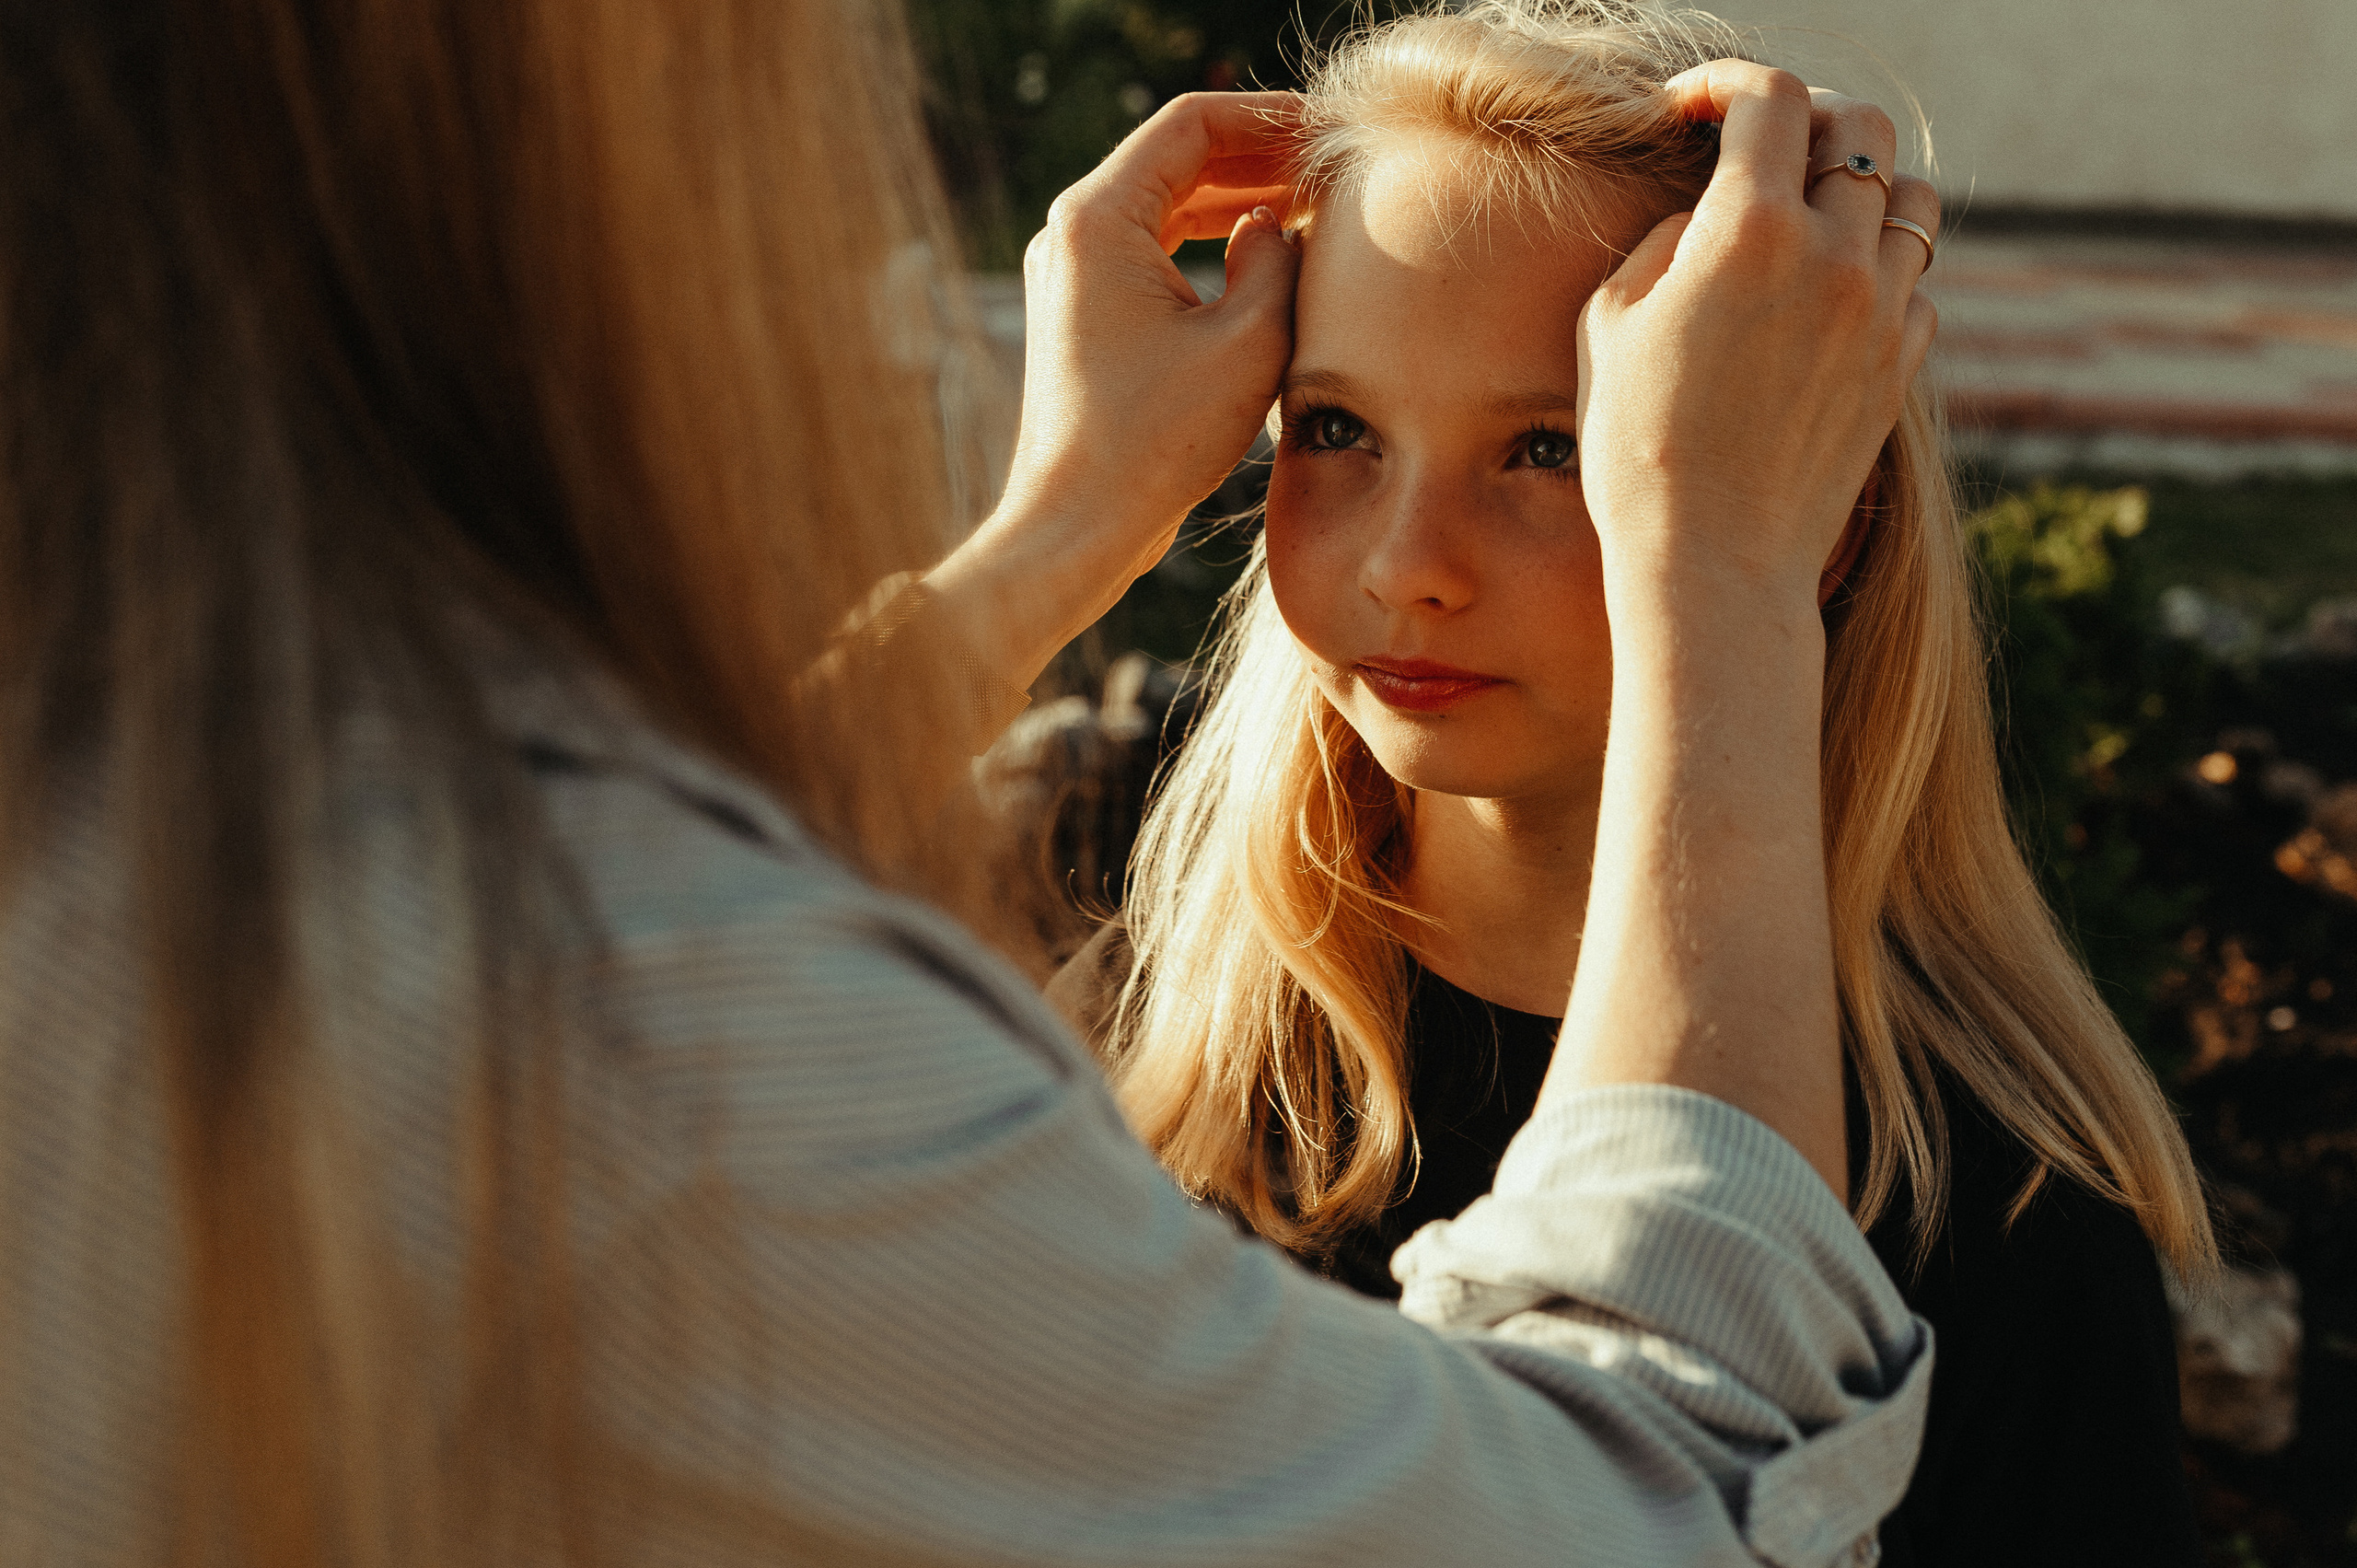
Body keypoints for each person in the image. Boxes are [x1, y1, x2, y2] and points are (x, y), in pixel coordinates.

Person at [1, 0, 1935, 1563]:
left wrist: (1059, 522)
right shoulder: (930, 1003)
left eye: (1558, 452)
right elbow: (1681, 1505)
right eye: (1329, 427)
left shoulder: (140, 847)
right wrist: (1709, 567)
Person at [1051, 6, 2218, 1566]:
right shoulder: (1103, 1054)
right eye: (1335, 429)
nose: (1409, 567)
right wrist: (1053, 528)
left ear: (1814, 500)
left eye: (1553, 448)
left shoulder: (1997, 1226)